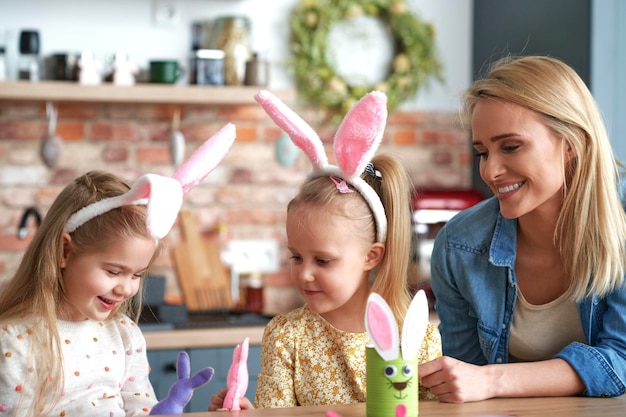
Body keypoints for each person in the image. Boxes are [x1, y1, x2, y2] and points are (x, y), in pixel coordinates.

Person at [209, 90, 441, 410]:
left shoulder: (417, 338)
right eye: (296, 256)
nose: (304, 273)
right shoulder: (286, 336)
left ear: (371, 256)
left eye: (322, 260)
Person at [418, 55, 626, 403]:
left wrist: (493, 381)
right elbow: (464, 380)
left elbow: (621, 358)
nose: (491, 171)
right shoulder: (458, 246)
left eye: (511, 147)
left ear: (571, 143)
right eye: (483, 152)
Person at [0, 125, 236, 416]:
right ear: (64, 252)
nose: (126, 288)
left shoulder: (124, 334)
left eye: (137, 274)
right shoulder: (15, 341)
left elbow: (140, 409)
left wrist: (165, 410)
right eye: (113, 272)